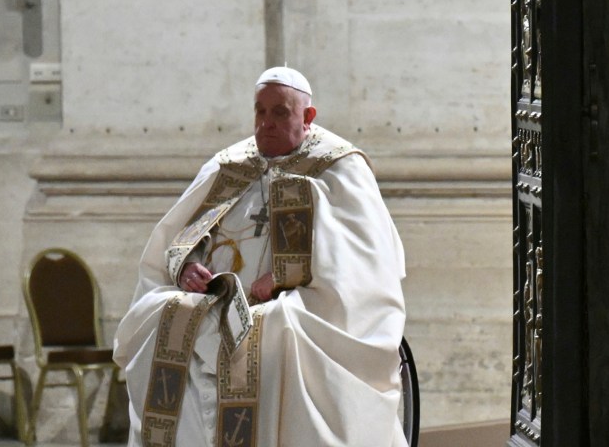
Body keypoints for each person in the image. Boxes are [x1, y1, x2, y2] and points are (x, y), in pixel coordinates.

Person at [113, 68, 406, 447]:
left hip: (297, 301)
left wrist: (289, 276)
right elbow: (179, 236)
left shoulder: (338, 166)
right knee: (160, 316)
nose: (266, 124)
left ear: (308, 116)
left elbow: (364, 257)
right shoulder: (231, 164)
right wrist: (186, 267)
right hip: (213, 302)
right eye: (260, 112)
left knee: (279, 330)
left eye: (280, 113)